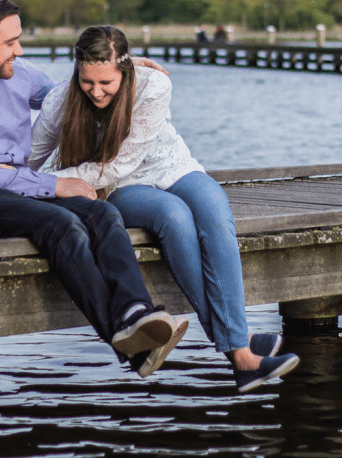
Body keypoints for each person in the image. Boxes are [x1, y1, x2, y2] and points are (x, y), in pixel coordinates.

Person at [0, 0, 188, 378]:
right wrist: (55, 186)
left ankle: (135, 311)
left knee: (103, 211)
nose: (19, 51)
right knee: (63, 224)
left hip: (23, 195)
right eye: (10, 42)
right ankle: (129, 345)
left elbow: (75, 91)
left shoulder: (18, 75)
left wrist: (120, 67)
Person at [29, 25, 300, 393]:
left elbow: (125, 157)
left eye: (106, 82)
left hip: (171, 167)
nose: (95, 92)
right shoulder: (61, 100)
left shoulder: (152, 85)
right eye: (87, 81)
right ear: (76, 71)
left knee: (214, 209)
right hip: (119, 186)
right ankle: (242, 354)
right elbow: (31, 163)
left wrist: (63, 177)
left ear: (124, 71)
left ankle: (239, 341)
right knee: (174, 217)